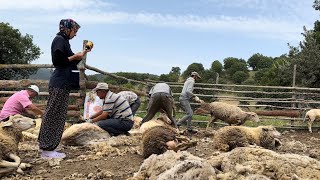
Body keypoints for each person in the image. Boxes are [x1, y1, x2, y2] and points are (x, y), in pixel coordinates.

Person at [38, 19, 90, 159]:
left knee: (57, 115)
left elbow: (69, 61)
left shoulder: (64, 41)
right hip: (59, 83)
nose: (75, 34)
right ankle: (47, 150)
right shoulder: (59, 39)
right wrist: (74, 56)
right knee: (54, 115)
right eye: (75, 31)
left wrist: (81, 55)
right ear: (67, 29)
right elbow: (58, 61)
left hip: (62, 83)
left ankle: (49, 146)